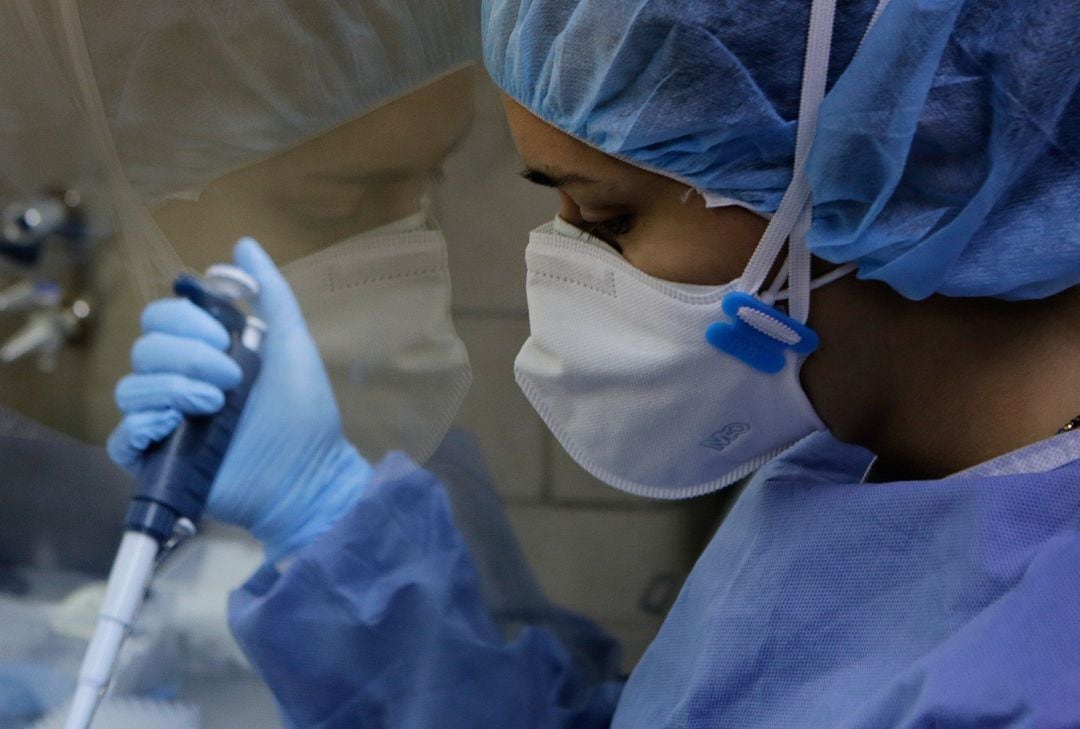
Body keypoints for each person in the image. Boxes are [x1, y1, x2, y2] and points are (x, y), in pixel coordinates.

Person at [106, 0, 1080, 726]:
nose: (565, 268)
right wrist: (323, 520)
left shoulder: (1038, 667)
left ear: (904, 156)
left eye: (609, 217)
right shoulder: (854, 479)